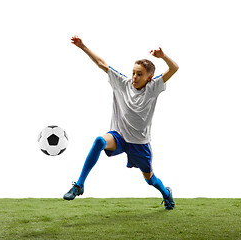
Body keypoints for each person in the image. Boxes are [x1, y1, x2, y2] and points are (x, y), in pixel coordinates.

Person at [63, 35, 179, 210]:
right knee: (99, 141)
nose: (134, 77)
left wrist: (163, 56)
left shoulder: (153, 88)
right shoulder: (122, 83)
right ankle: (79, 185)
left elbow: (174, 68)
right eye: (133, 72)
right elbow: (102, 64)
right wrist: (82, 46)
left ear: (149, 77)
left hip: (140, 143)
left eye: (139, 74)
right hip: (119, 136)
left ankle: (166, 193)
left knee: (150, 179)